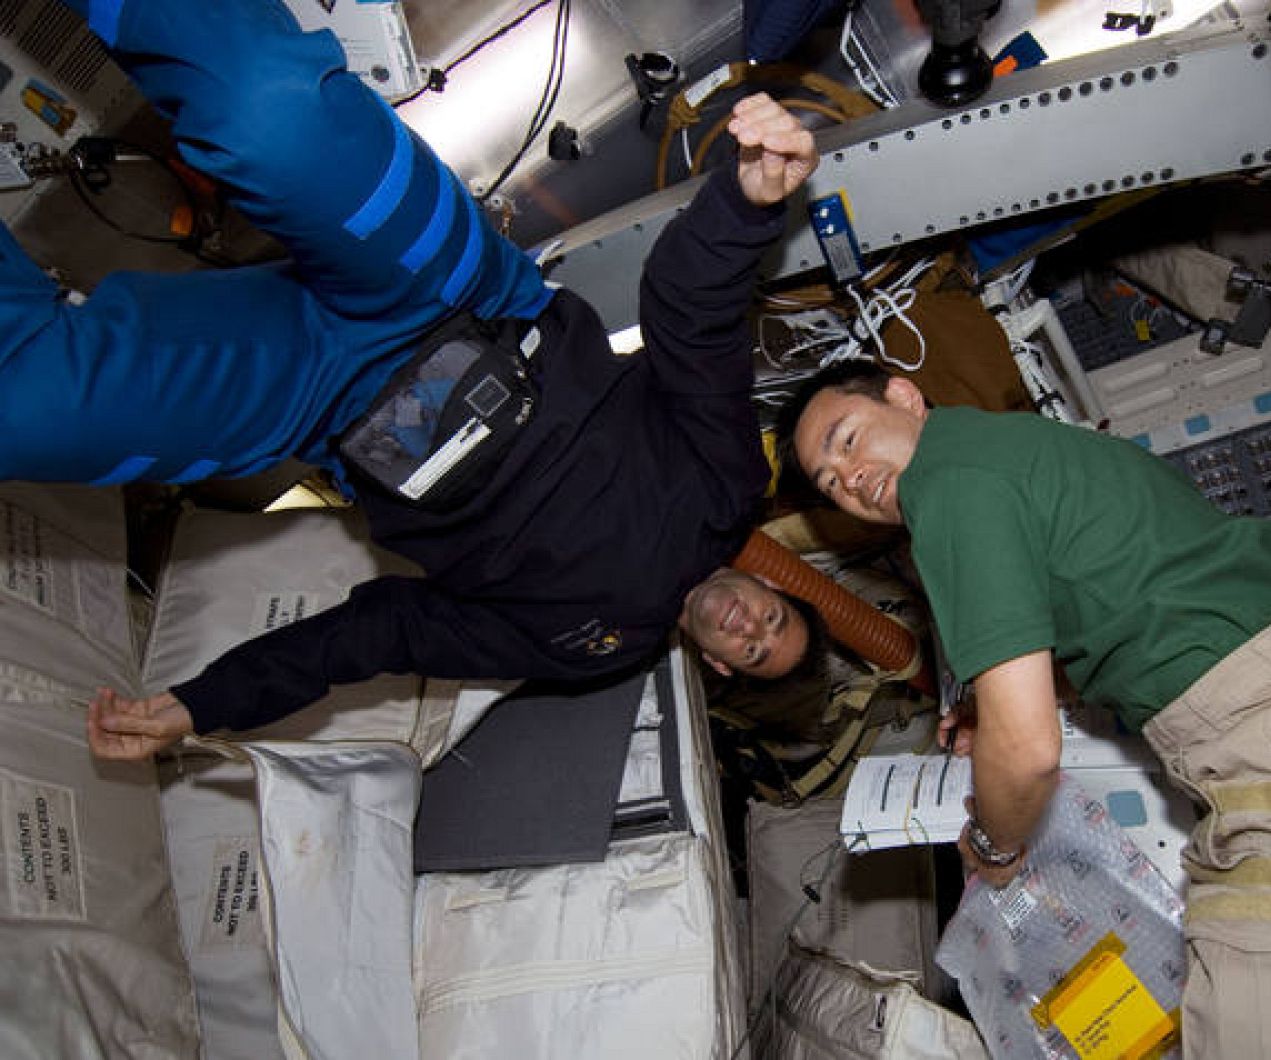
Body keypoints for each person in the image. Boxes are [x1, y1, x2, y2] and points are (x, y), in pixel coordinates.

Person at [0, 1, 820, 756]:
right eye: (772, 617)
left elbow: (383, 635)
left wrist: (202, 703)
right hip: (454, 296)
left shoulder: (586, 650)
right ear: (765, 576)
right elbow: (689, 320)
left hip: (323, 406)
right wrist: (743, 209)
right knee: (269, 119)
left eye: (752, 649)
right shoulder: (726, 486)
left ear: (717, 667)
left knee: (24, 411)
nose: (748, 624)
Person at [779, 362, 1271, 1060]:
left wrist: (994, 846)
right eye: (830, 482)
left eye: (847, 439)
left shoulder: (946, 481)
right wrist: (1023, 699)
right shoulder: (1015, 449)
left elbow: (1027, 754)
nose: (851, 478)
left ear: (903, 395)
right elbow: (1141, 599)